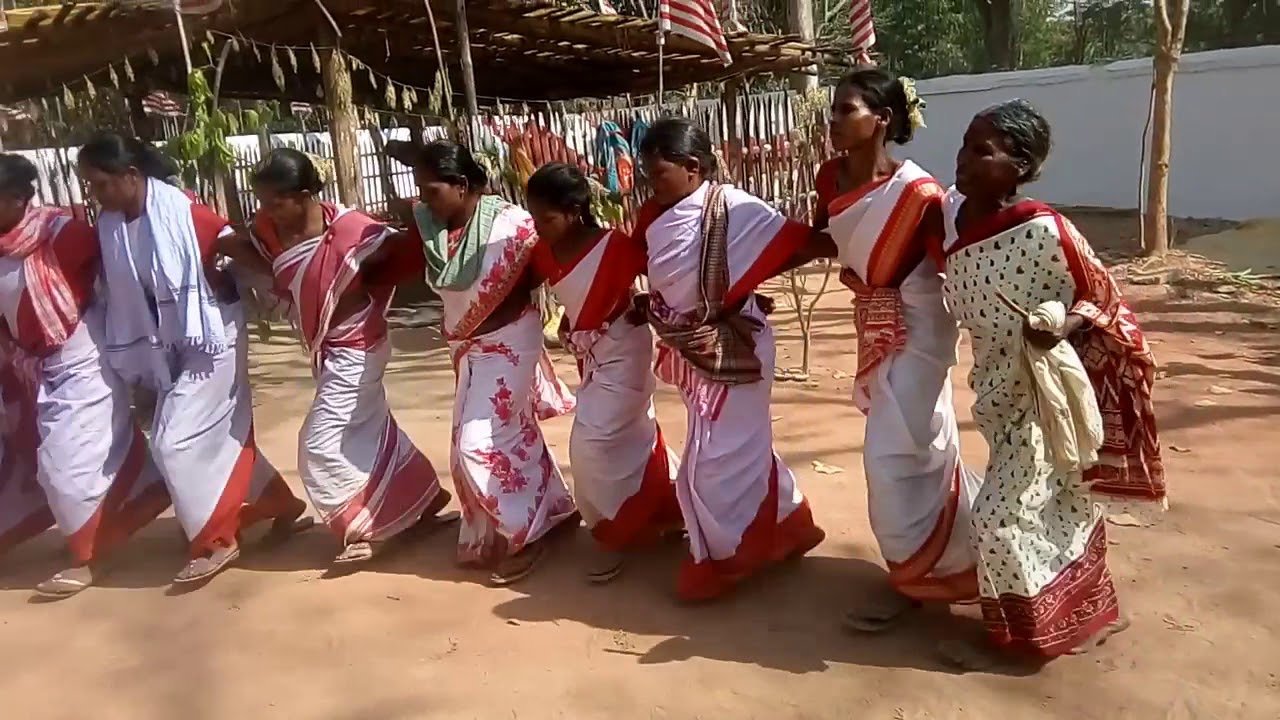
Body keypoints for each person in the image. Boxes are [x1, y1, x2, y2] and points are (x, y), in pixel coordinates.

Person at [935, 99, 1165, 667]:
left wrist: (1060, 323)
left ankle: (1040, 633)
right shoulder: (954, 219)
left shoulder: (1043, 229)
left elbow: (1100, 297)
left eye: (981, 151)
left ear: (1020, 164)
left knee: (1000, 515)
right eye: (965, 144)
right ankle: (1074, 615)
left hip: (1049, 396)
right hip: (995, 391)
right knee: (1051, 503)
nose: (963, 159)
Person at [78, 131, 312, 587]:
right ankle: (274, 503)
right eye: (90, 185)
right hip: (165, 341)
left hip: (212, 337)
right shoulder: (112, 225)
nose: (96, 194)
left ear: (131, 176)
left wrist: (294, 292)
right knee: (205, 436)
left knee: (175, 440)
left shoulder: (184, 212)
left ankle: (215, 539)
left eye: (101, 183)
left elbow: (237, 249)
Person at [810, 68, 982, 631]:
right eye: (833, 109)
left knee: (896, 453)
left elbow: (952, 264)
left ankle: (921, 576)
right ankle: (938, 565)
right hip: (874, 321)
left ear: (881, 120)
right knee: (914, 453)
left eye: (847, 110)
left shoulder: (920, 194)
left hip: (922, 327)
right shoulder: (829, 178)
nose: (834, 119)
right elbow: (819, 236)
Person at [629, 117, 825, 602]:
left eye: (658, 174)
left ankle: (731, 557)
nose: (649, 186)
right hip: (691, 349)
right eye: (647, 176)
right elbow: (653, 272)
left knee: (715, 462)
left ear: (693, 168)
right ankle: (786, 526)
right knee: (726, 449)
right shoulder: (653, 217)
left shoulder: (735, 209)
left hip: (738, 348)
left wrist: (742, 283)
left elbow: (801, 244)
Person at [244, 148, 457, 567]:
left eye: (275, 201)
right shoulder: (267, 230)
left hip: (359, 346)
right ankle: (422, 498)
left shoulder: (352, 230)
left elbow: (405, 252)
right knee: (371, 430)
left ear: (304, 195)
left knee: (319, 443)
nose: (267, 210)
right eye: (263, 201)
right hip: (328, 349)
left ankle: (372, 525)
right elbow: (249, 252)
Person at [393, 140, 577, 585]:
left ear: (460, 185)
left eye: (431, 190)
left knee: (479, 444)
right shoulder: (431, 230)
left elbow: (553, 268)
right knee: (504, 435)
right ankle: (554, 508)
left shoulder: (512, 226)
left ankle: (526, 533)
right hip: (467, 347)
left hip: (511, 340)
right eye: (419, 190)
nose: (424, 200)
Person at [0, 153, 172, 597]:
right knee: (30, 458)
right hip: (28, 365)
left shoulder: (65, 234)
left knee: (67, 466)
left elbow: (123, 283)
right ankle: (133, 505)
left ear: (19, 199)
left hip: (82, 355)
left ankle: (90, 558)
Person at [525, 163, 682, 584]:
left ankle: (614, 535)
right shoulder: (542, 251)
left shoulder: (615, 247)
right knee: (630, 439)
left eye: (547, 218)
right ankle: (668, 508)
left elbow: (669, 280)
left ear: (575, 211)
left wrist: (646, 305)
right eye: (534, 217)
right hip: (589, 360)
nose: (539, 227)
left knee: (589, 445)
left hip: (625, 354)